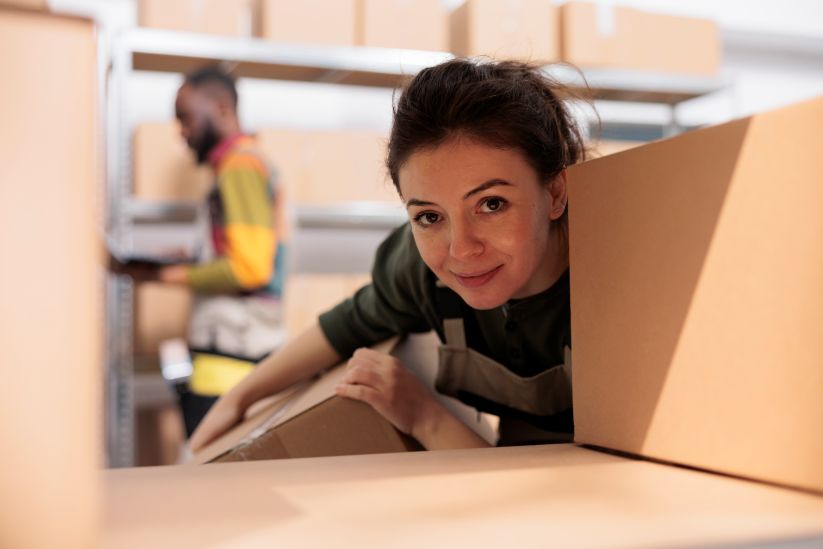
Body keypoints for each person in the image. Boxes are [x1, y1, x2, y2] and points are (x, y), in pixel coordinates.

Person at [189, 58, 586, 452]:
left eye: (492, 204)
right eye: (429, 216)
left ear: (554, 193)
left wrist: (425, 419)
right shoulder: (419, 268)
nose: (460, 249)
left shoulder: (612, 280)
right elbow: (348, 324)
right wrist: (237, 399)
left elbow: (593, 487)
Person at [135, 65, 287, 436]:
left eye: (186, 118)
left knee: (213, 477)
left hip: (232, 358)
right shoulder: (240, 165)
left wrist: (164, 274)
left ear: (221, 107)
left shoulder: (240, 166)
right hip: (236, 353)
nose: (182, 132)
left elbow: (250, 269)